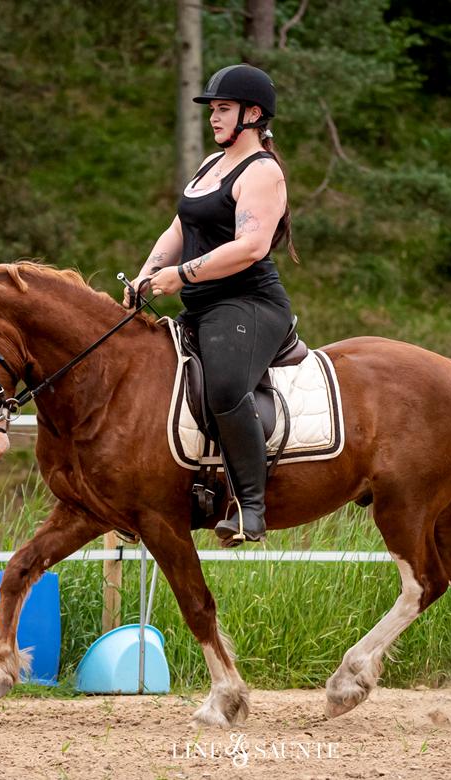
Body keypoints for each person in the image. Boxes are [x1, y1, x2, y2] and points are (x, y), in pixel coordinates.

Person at [125, 63, 300, 547]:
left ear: (253, 113)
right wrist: (145, 273)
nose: (214, 118)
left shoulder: (263, 172)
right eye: (213, 110)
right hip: (202, 303)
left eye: (223, 109)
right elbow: (180, 228)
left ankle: (250, 508)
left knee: (224, 386)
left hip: (248, 303)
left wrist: (178, 276)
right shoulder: (210, 165)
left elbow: (251, 247)